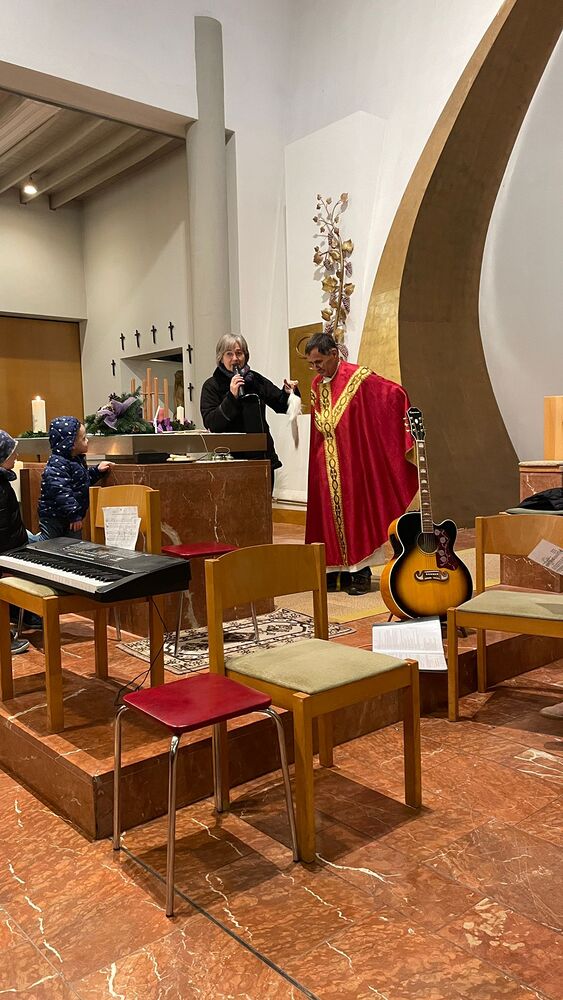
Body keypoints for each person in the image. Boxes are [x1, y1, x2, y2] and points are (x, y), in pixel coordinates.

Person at [304, 332, 418, 595]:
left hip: (353, 460)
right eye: (312, 364)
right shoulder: (316, 385)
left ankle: (360, 572)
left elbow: (392, 393)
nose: (316, 368)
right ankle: (334, 570)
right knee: (326, 516)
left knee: (357, 512)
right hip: (324, 463)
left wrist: (403, 413)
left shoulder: (358, 378)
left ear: (334, 354)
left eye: (319, 361)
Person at [200, 334, 300, 490]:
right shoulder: (211, 385)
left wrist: (289, 392)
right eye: (229, 354)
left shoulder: (255, 380)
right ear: (221, 358)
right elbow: (212, 423)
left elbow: (281, 405)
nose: (235, 358)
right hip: (228, 460)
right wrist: (231, 397)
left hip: (261, 458)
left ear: (245, 356)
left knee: (263, 504)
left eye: (239, 353)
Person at [38, 417, 113, 539]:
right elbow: (61, 491)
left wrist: (97, 471)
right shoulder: (57, 463)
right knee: (46, 542)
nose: (87, 440)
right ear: (71, 444)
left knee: (72, 543)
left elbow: (82, 481)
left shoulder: (75, 460)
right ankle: (25, 540)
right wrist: (74, 514)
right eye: (84, 438)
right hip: (54, 516)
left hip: (71, 515)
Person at [0, 430, 32, 653]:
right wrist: (8, 557)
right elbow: (2, 526)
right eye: (12, 452)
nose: (16, 456)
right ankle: (4, 640)